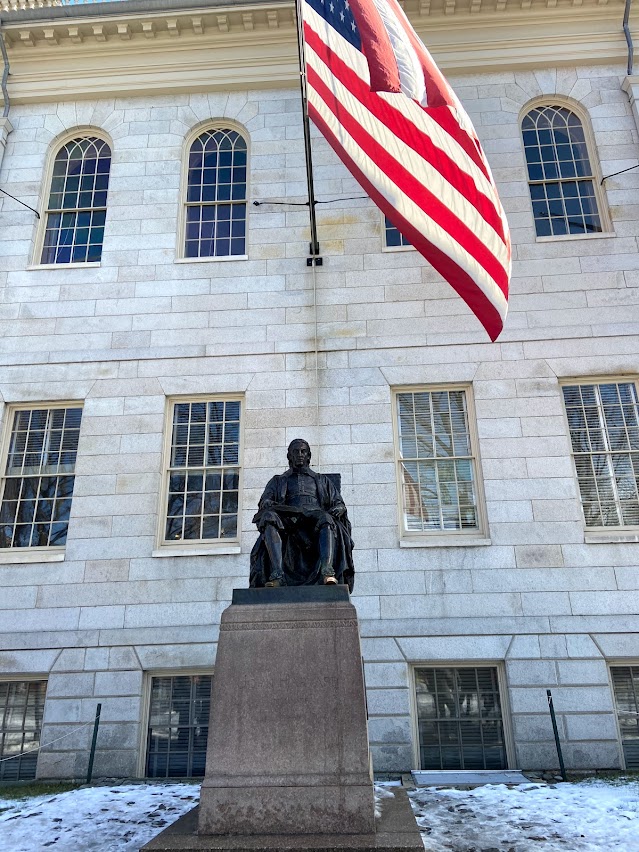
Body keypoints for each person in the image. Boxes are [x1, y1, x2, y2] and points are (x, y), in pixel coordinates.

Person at [249, 439, 354, 591]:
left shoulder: (322, 480)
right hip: (287, 519)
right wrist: (266, 503)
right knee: (269, 517)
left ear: (309, 455)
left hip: (314, 518)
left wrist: (339, 507)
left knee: (327, 518)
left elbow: (338, 502)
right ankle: (277, 574)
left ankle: (327, 572)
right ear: (289, 456)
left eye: (303, 451)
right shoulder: (278, 481)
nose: (299, 455)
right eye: (295, 451)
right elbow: (265, 500)